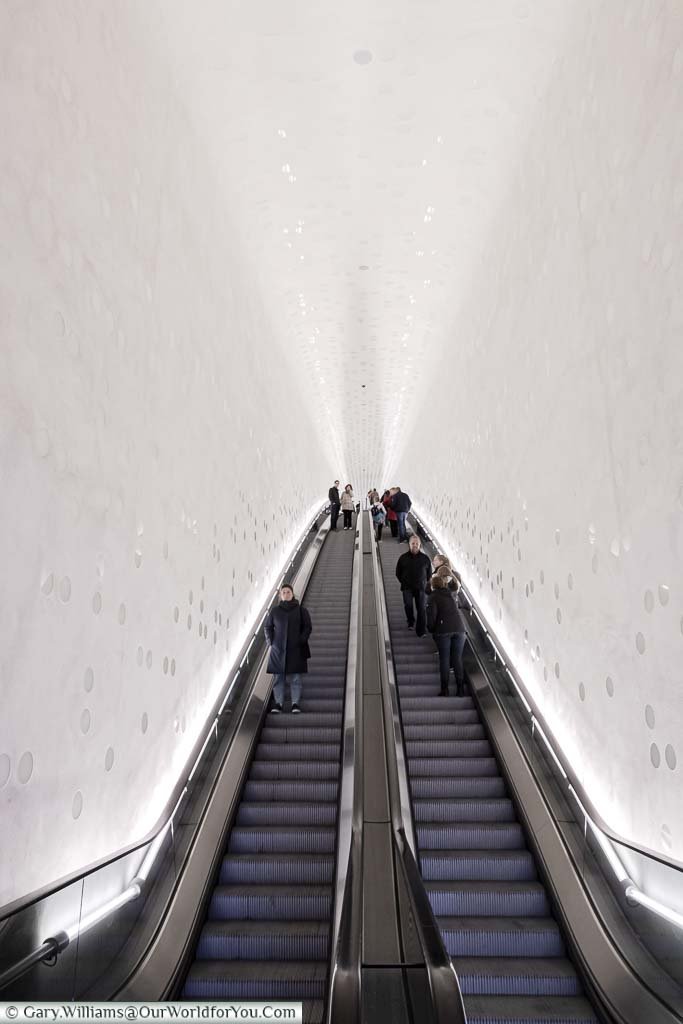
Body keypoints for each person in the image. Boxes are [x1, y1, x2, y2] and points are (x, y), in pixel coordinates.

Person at [264, 583, 312, 713]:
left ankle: (295, 704)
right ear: (280, 596)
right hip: (278, 650)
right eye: (283, 592)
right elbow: (267, 627)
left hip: (296, 649)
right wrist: (271, 642)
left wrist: (301, 640)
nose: (286, 594)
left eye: (288, 592)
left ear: (292, 594)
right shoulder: (275, 611)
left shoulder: (301, 611)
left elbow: (308, 627)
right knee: (278, 678)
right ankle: (278, 704)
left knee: (295, 678)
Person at [426, 574, 467, 696]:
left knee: (444, 659)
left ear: (432, 585)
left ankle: (445, 689)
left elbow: (431, 616)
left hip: (443, 631)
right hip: (460, 629)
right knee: (457, 659)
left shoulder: (432, 597)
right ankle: (460, 690)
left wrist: (432, 629)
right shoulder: (450, 594)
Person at [395, 534, 432, 636]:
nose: (415, 545)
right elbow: (398, 573)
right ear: (409, 544)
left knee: (422, 608)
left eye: (417, 543)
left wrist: (424, 583)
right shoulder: (403, 558)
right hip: (407, 588)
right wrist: (404, 582)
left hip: (421, 588)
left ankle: (421, 631)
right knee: (408, 606)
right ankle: (410, 622)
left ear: (420, 545)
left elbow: (429, 574)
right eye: (413, 543)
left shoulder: (425, 559)